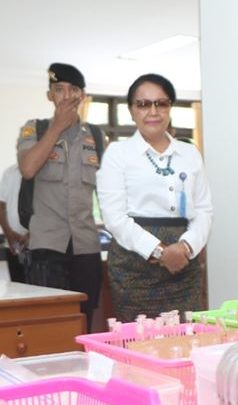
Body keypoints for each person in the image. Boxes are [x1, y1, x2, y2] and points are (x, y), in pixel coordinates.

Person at [97, 73, 212, 321]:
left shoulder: (189, 153)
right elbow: (114, 217)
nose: (153, 111)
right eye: (143, 104)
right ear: (131, 110)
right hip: (134, 266)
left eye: (161, 103)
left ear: (170, 107)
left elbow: (203, 209)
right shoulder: (118, 154)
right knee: (140, 343)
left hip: (184, 261)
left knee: (187, 337)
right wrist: (160, 252)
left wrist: (185, 247)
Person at [16, 63, 105, 329]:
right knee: (48, 326)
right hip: (47, 246)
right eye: (59, 90)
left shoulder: (97, 137)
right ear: (50, 96)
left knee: (83, 322)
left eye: (73, 90)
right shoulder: (35, 129)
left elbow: (109, 191)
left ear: (82, 96)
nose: (66, 96)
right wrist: (57, 128)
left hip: (86, 246)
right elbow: (28, 168)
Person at [0, 164, 29, 283]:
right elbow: (0, 206)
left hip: (39, 245)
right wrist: (8, 233)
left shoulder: (44, 170)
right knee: (17, 288)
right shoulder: (10, 172)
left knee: (40, 292)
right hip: (14, 244)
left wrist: (31, 235)